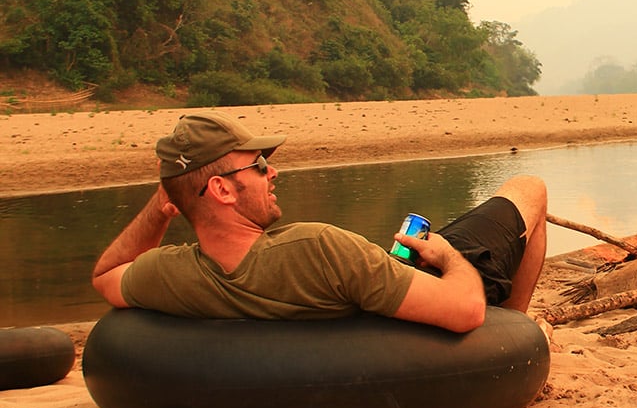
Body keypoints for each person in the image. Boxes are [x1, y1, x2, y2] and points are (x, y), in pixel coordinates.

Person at [91, 112, 548, 333]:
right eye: (259, 164)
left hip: (365, 297)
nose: (273, 172)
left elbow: (106, 275)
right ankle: (514, 332)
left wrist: (165, 202)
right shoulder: (320, 249)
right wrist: (446, 255)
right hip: (424, 306)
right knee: (530, 190)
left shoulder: (175, 275)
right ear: (223, 190)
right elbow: (465, 308)